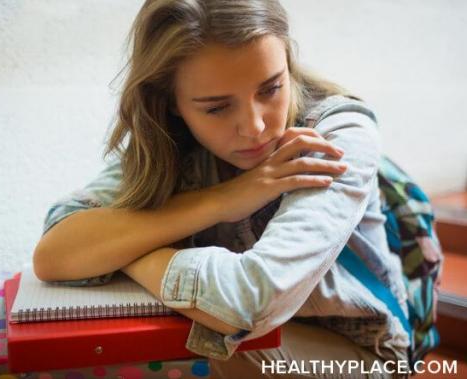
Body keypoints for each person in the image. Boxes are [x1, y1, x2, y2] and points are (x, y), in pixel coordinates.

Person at [33, 0, 410, 377]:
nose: (255, 127)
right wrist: (223, 200)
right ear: (171, 104)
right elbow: (55, 253)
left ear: (288, 64)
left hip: (364, 352)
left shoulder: (337, 133)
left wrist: (128, 250)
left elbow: (248, 303)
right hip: (257, 341)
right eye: (216, 108)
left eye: (271, 88)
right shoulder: (170, 142)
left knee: (224, 350)